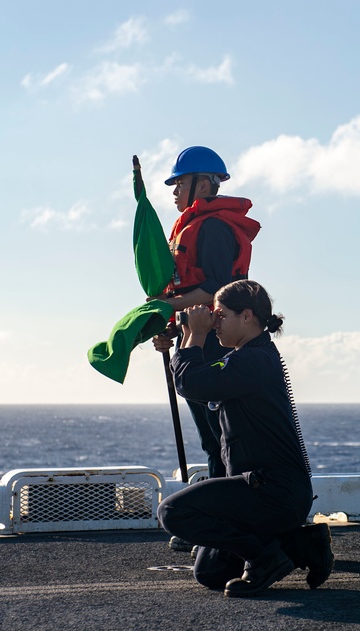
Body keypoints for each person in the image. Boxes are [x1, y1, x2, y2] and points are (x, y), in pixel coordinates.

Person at [157, 280, 334, 597]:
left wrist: (195, 334)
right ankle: (301, 544)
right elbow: (197, 381)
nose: (216, 323)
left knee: (172, 512)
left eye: (221, 315)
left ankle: (265, 558)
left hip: (273, 490)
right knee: (210, 572)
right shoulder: (248, 358)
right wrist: (185, 336)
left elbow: (194, 384)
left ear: (247, 316)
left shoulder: (254, 361)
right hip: (261, 489)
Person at [150, 146, 261, 551]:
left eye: (178, 183)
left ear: (201, 183)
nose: (174, 192)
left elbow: (215, 287)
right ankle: (212, 524)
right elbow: (186, 294)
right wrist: (168, 328)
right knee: (213, 441)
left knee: (222, 439)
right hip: (195, 337)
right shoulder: (189, 227)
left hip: (216, 342)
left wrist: (165, 307)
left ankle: (222, 526)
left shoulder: (211, 227)